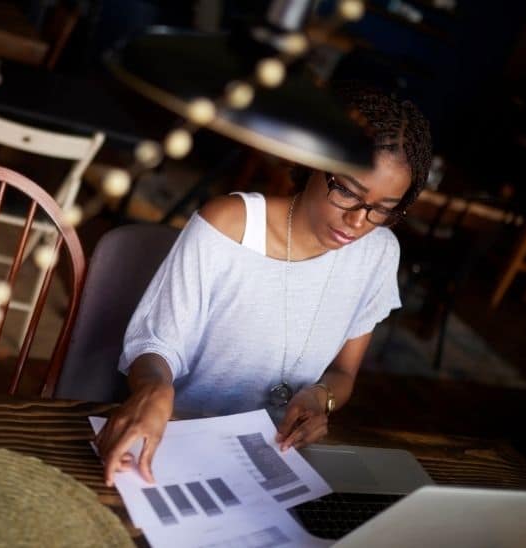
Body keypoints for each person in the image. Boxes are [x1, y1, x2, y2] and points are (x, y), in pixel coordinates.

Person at [96, 82, 433, 487]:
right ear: (311, 161)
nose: (358, 222)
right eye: (346, 190)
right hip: (176, 442)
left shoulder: (378, 253)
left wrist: (320, 397)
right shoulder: (229, 225)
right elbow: (155, 346)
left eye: (383, 209)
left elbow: (344, 372)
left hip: (274, 455)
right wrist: (154, 387)